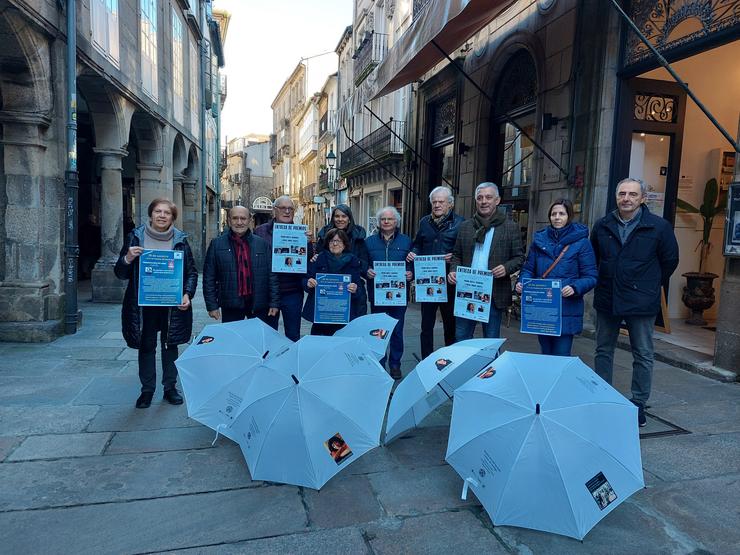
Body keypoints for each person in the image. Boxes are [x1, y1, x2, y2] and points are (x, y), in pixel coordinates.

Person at [590, 178, 679, 427]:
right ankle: (603, 397)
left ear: (642, 198)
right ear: (616, 197)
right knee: (603, 350)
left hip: (641, 300)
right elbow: (594, 256)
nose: (626, 198)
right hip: (608, 296)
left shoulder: (659, 227)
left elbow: (670, 260)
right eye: (622, 194)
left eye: (632, 194)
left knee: (643, 353)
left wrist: (648, 284)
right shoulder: (602, 225)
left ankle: (639, 403)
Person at [114, 198, 198, 409]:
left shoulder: (180, 240)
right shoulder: (135, 237)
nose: (162, 215)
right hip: (143, 305)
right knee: (146, 345)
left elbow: (191, 272)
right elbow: (120, 273)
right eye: (158, 211)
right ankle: (147, 390)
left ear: (172, 217)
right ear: (150, 214)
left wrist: (187, 294)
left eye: (167, 213)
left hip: (172, 305)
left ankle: (170, 388)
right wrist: (127, 258)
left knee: (170, 345)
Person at [516, 198, 598, 356]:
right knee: (545, 354)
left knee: (561, 355)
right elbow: (528, 268)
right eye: (554, 214)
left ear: (569, 216)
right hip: (542, 309)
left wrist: (575, 287)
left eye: (562, 213)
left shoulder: (581, 243)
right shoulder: (539, 241)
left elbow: (591, 276)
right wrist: (522, 282)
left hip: (566, 308)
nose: (557, 217)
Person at [449, 182, 524, 340]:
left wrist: (506, 267)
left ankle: (489, 366)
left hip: (494, 291)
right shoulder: (465, 226)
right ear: (476, 201)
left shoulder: (510, 227)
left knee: (490, 340)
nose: (484, 201)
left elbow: (519, 258)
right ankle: (463, 365)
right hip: (467, 291)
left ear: (497, 200)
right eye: (480, 198)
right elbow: (457, 254)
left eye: (488, 197)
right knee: (461, 337)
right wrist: (453, 270)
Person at [407, 186, 465, 358]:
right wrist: (414, 252)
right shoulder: (424, 222)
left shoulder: (461, 223)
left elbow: (464, 251)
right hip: (428, 281)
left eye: (441, 202)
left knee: (450, 324)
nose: (437, 205)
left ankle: (450, 359)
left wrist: (454, 256)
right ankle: (426, 358)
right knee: (426, 325)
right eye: (434, 202)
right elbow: (418, 242)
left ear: (450, 204)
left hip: (450, 281)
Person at [203, 206, 279, 323]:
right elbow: (209, 278)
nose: (239, 222)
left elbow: (272, 275)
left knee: (256, 340)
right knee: (233, 340)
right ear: (229, 220)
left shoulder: (262, 244)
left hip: (258, 304)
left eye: (243, 218)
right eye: (235, 218)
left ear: (249, 220)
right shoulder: (216, 245)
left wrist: (274, 302)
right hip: (231, 304)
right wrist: (212, 305)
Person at [254, 196, 311, 341]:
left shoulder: (301, 232)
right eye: (282, 208)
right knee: (268, 334)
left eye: (290, 208)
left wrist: (309, 243)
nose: (287, 211)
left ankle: (291, 362)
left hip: (292, 291)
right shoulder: (260, 232)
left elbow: (307, 260)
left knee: (293, 335)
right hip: (268, 292)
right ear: (274, 211)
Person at [365, 206, 413, 380]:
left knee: (397, 331)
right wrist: (367, 271)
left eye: (390, 219)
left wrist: (410, 273)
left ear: (396, 222)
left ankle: (395, 364)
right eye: (383, 219)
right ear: (378, 222)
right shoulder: (369, 242)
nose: (386, 222)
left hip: (399, 295)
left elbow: (412, 264)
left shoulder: (406, 241)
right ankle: (380, 363)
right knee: (379, 332)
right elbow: (363, 263)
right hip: (377, 295)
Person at [303, 228, 361, 336]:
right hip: (321, 314)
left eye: (338, 241)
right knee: (319, 346)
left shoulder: (353, 260)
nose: (334, 244)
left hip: (342, 314)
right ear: (327, 243)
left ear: (344, 244)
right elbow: (305, 279)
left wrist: (355, 289)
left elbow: (359, 288)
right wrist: (308, 282)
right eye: (331, 241)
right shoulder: (319, 258)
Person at [316, 204, 369, 317]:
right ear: (332, 218)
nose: (340, 219)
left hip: (352, 290)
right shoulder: (324, 235)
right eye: (337, 216)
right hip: (329, 290)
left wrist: (356, 263)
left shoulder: (358, 237)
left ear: (349, 219)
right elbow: (317, 259)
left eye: (344, 216)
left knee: (352, 329)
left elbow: (365, 265)